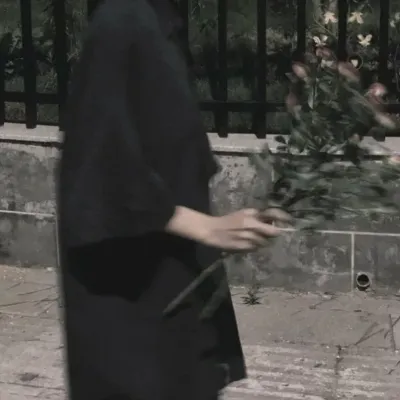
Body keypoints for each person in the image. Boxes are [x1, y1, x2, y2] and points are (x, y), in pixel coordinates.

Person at [57, 0, 287, 399]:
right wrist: (207, 228)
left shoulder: (158, 24)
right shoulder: (122, 20)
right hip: (131, 293)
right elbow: (100, 160)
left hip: (171, 277)